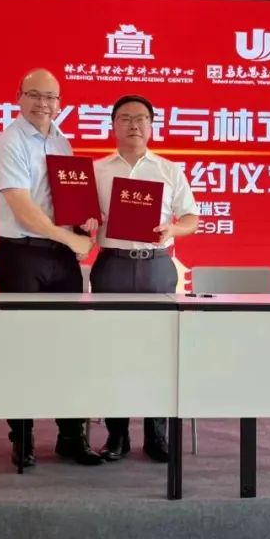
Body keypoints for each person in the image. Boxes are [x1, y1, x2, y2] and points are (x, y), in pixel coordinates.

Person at [0, 68, 103, 469]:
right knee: (22, 349)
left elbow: (64, 199)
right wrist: (71, 239)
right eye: (35, 95)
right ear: (19, 97)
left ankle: (71, 436)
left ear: (60, 103)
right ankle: (22, 438)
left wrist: (82, 223)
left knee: (68, 347)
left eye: (51, 97)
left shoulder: (60, 140)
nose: (43, 103)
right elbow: (23, 208)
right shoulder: (9, 142)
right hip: (22, 255)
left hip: (60, 257)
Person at [90, 94, 199, 462]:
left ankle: (157, 435)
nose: (133, 124)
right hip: (113, 266)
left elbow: (191, 218)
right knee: (112, 352)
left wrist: (172, 228)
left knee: (159, 351)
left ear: (152, 126)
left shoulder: (169, 170)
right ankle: (116, 435)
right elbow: (80, 218)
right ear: (113, 125)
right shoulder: (97, 171)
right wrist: (85, 223)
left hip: (156, 266)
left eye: (141, 118)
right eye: (124, 118)